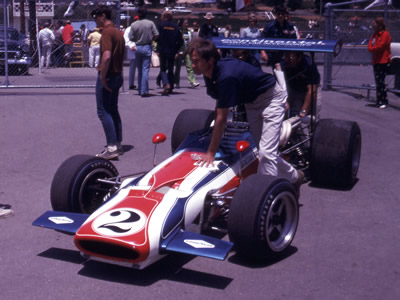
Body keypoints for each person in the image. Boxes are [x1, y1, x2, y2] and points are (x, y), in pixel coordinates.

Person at [187, 38, 303, 188]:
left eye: (196, 61)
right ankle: (295, 176)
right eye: (192, 61)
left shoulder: (226, 76)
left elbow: (222, 119)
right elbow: (219, 106)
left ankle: (263, 194)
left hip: (272, 98)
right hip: (252, 103)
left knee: (266, 153)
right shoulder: (210, 73)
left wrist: (211, 152)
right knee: (263, 151)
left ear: (210, 60)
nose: (192, 65)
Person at [91, 5, 125, 159]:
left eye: (96, 17)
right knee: (113, 109)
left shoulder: (106, 32)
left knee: (103, 111)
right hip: (118, 74)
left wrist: (103, 77)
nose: (95, 21)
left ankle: (111, 147)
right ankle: (117, 143)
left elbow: (106, 56)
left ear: (103, 15)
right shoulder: (118, 32)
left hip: (108, 75)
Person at [129, 6, 159, 97]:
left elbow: (131, 37)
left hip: (138, 47)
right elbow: (156, 34)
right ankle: (144, 91)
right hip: (147, 46)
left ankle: (140, 90)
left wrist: (137, 39)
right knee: (145, 70)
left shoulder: (134, 24)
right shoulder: (150, 23)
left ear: (138, 14)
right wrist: (151, 39)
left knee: (139, 70)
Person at [281, 51, 321, 119]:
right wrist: (285, 101)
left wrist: (304, 110)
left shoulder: (309, 65)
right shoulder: (283, 64)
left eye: (290, 57)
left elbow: (312, 90)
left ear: (299, 58)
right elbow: (280, 85)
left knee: (311, 117)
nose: (287, 60)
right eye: (286, 57)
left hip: (310, 88)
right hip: (293, 87)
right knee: (292, 113)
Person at [156, 10, 183, 95]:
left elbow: (156, 37)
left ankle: (165, 83)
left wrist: (158, 47)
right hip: (172, 50)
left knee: (163, 69)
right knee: (171, 69)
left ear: (164, 17)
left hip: (163, 49)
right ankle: (171, 87)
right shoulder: (176, 27)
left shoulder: (160, 25)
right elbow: (180, 41)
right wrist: (177, 50)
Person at [368, 17, 391, 109]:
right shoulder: (375, 35)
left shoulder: (385, 34)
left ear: (379, 25)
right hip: (376, 60)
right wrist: (372, 48)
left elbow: (381, 46)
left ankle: (383, 100)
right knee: (378, 81)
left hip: (383, 61)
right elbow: (370, 45)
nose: (373, 26)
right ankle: (379, 100)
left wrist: (373, 48)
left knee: (381, 81)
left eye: (374, 24)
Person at [174, 19, 200, 88]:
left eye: (187, 23)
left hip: (187, 51)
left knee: (190, 67)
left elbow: (191, 41)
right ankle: (176, 82)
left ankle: (192, 81)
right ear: (181, 24)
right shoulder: (178, 31)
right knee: (178, 68)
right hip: (179, 51)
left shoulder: (189, 32)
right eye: (185, 23)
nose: (187, 24)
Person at [124, 18, 137, 90]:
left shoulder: (140, 27)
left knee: (142, 68)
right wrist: (131, 45)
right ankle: (131, 84)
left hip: (140, 48)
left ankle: (142, 84)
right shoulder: (129, 29)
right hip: (132, 49)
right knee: (132, 68)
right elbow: (126, 38)